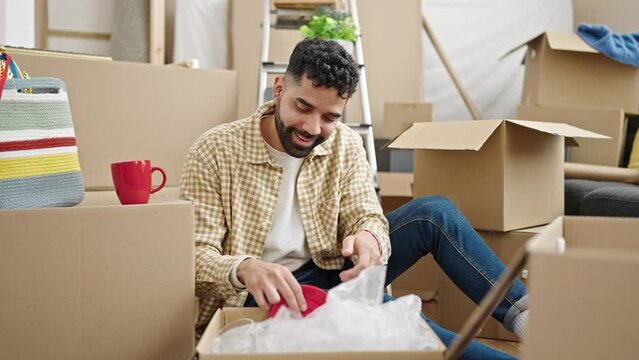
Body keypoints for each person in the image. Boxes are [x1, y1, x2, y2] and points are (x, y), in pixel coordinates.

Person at [179, 38, 529, 360]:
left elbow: (367, 215)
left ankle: (527, 318)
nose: (313, 129)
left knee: (434, 212)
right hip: (259, 294)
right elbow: (193, 257)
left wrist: (370, 238)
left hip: (333, 271)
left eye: (330, 117)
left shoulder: (344, 144)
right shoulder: (214, 150)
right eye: (303, 107)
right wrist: (243, 267)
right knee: (414, 328)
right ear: (279, 88)